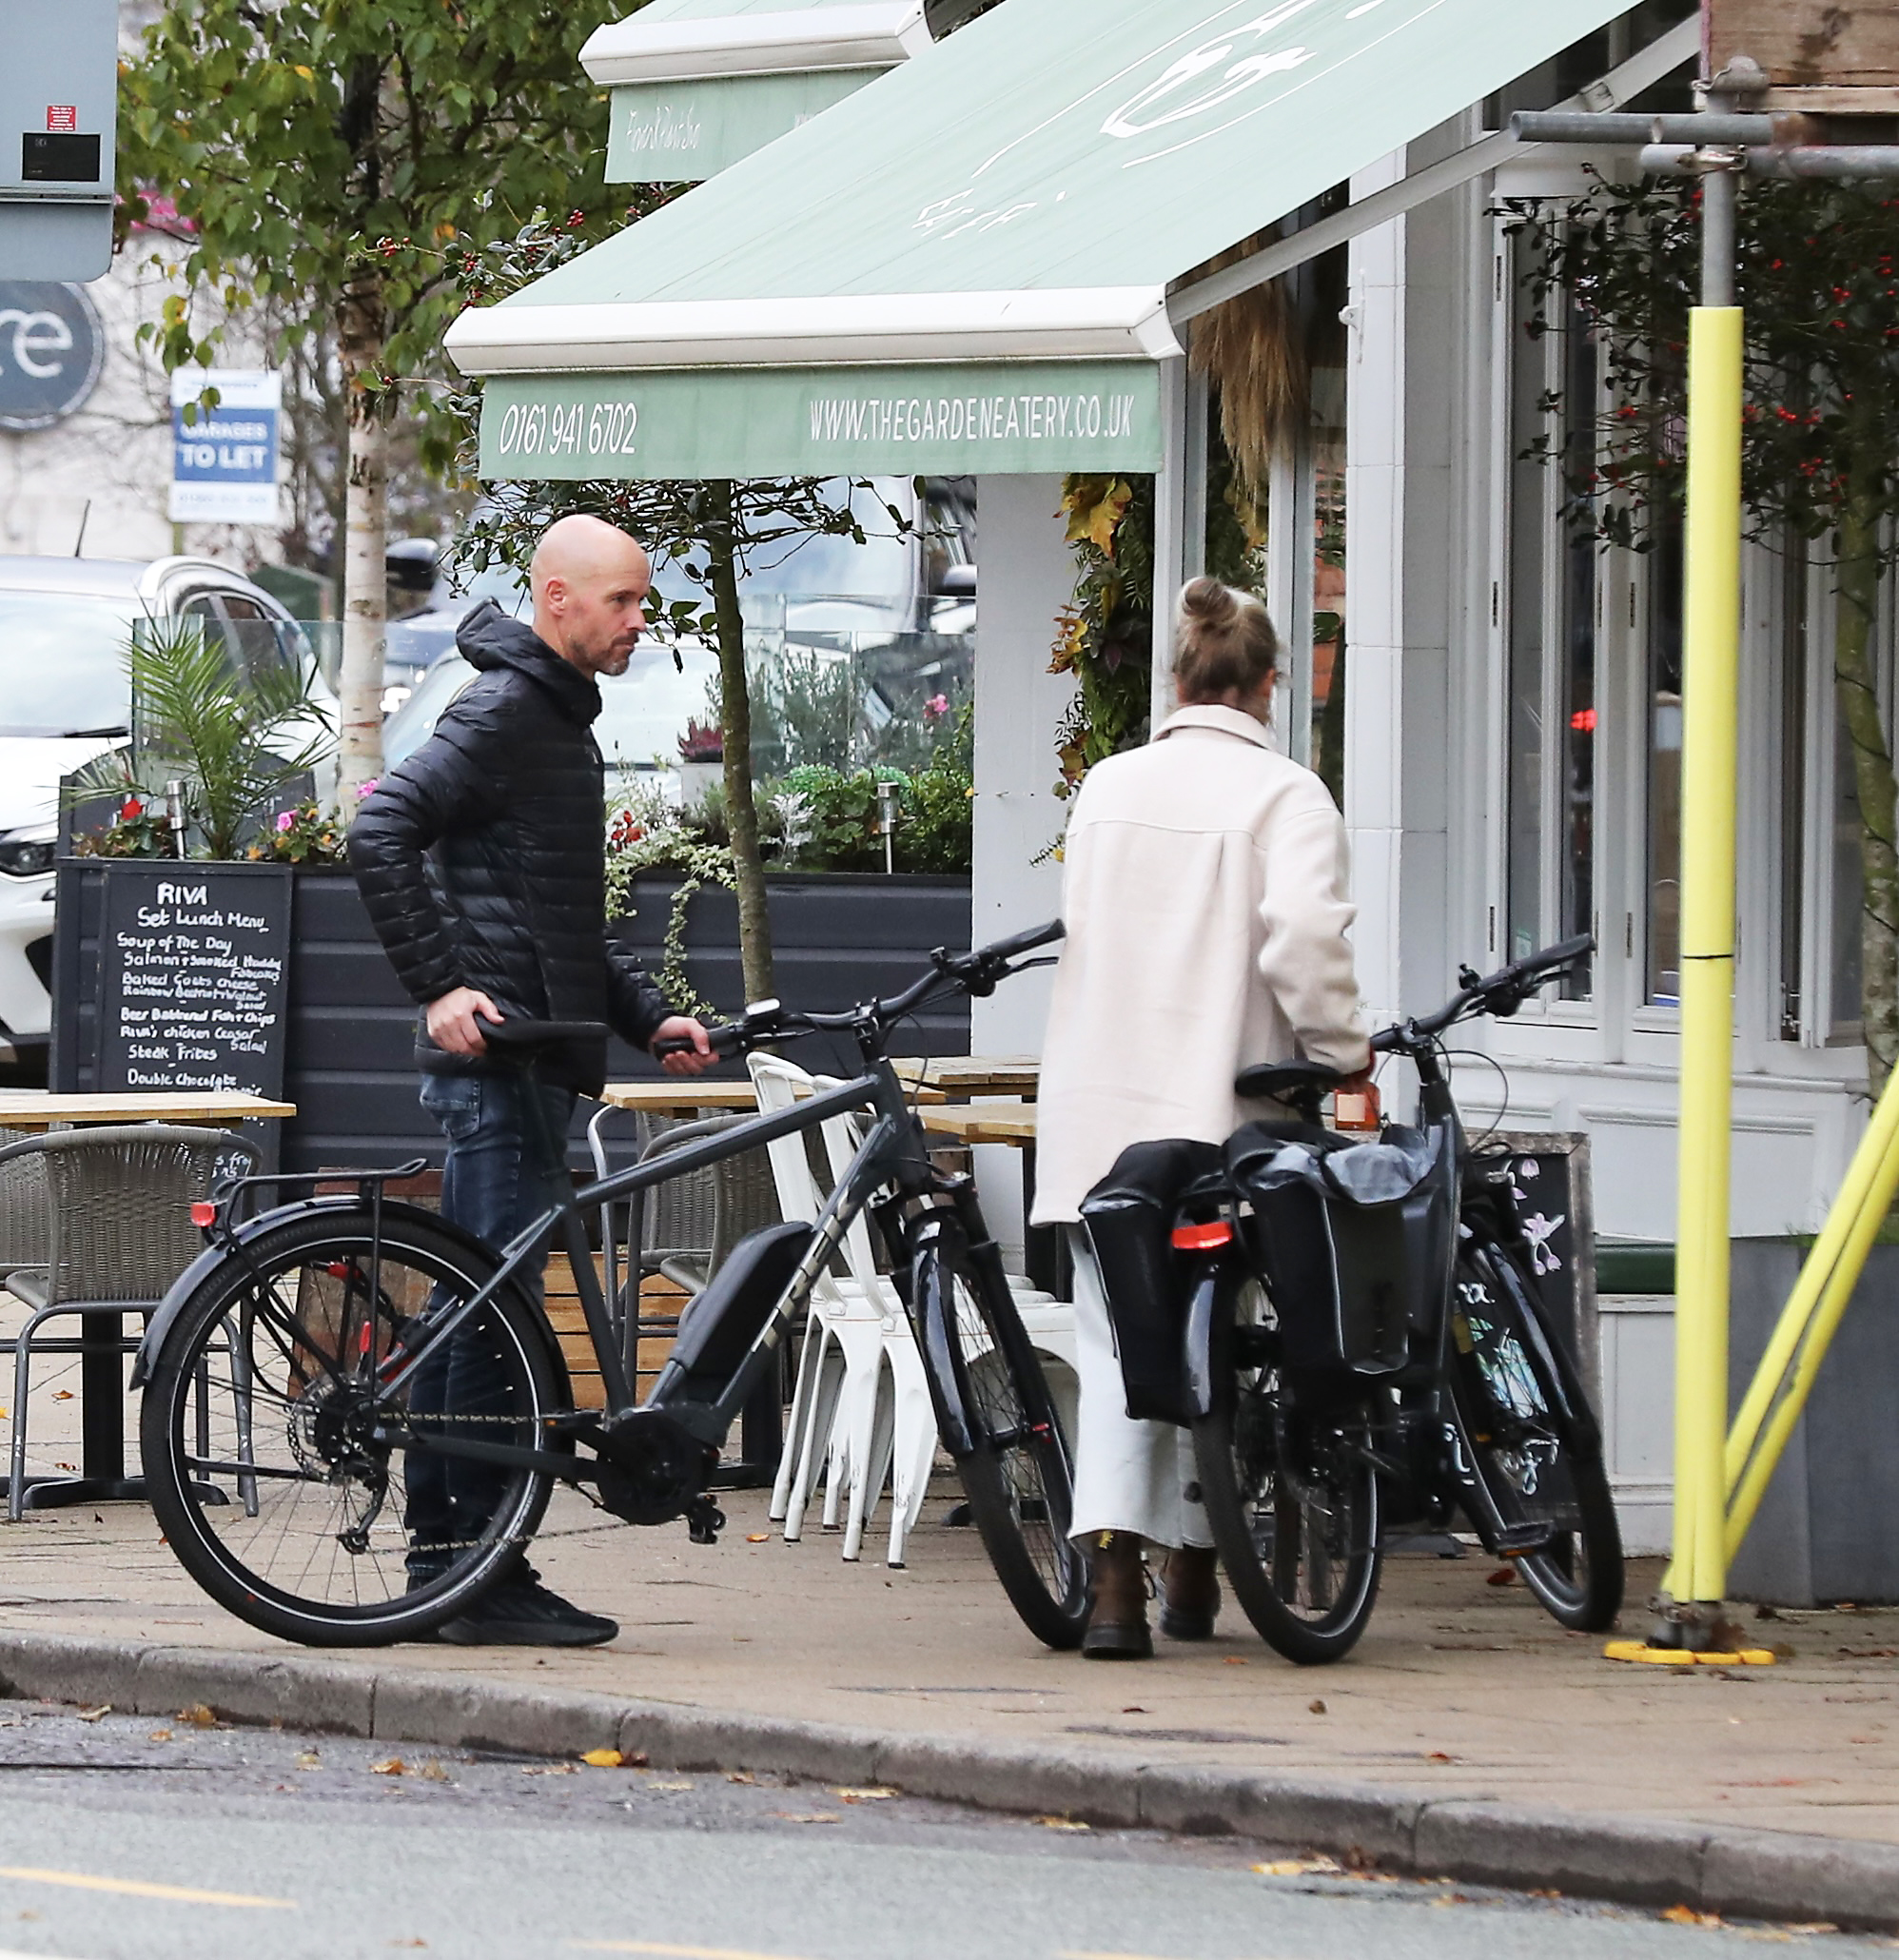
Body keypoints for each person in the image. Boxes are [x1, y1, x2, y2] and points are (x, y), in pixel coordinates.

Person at [349, 513, 715, 1647]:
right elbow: (380, 829)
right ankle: (465, 1567)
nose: (639, 622)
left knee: (487, 1313)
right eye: (622, 602)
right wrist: (441, 986)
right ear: (556, 599)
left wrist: (650, 1017)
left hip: (535, 1060)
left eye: (642, 601)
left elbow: (560, 926)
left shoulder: (554, 721)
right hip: (497, 1067)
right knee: (485, 1317)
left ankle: (459, 1562)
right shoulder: (506, 711)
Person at [1031, 577, 1371, 1659]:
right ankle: (1194, 1564)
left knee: (1114, 1337)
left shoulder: (1107, 788)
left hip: (1103, 1117)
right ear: (1269, 684)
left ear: (1174, 680)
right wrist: (1343, 1053)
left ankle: (1118, 1585)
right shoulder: (1287, 795)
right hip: (1228, 1116)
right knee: (1228, 1341)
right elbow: (1307, 946)